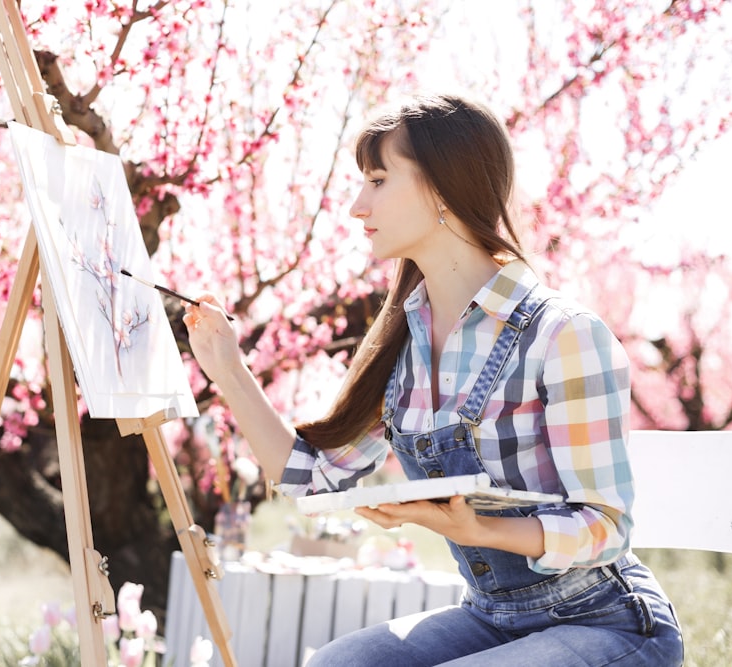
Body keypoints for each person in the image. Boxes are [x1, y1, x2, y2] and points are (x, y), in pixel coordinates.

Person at [182, 93, 683, 666]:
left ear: (443, 188)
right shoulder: (405, 341)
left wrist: (480, 529)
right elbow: (314, 479)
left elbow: (605, 527)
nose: (355, 205)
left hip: (610, 624)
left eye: (376, 180)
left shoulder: (563, 334)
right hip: (490, 620)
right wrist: (227, 367)